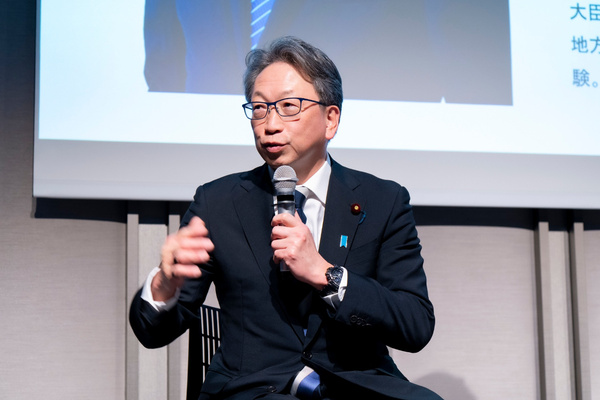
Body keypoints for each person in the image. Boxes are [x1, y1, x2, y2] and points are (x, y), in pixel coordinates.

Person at [130, 36, 441, 400]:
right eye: (259, 108)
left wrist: (327, 275)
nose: (270, 124)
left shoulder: (383, 200)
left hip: (355, 386)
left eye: (288, 106)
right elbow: (153, 334)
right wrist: (164, 285)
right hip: (251, 391)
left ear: (330, 119)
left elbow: (415, 325)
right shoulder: (218, 202)